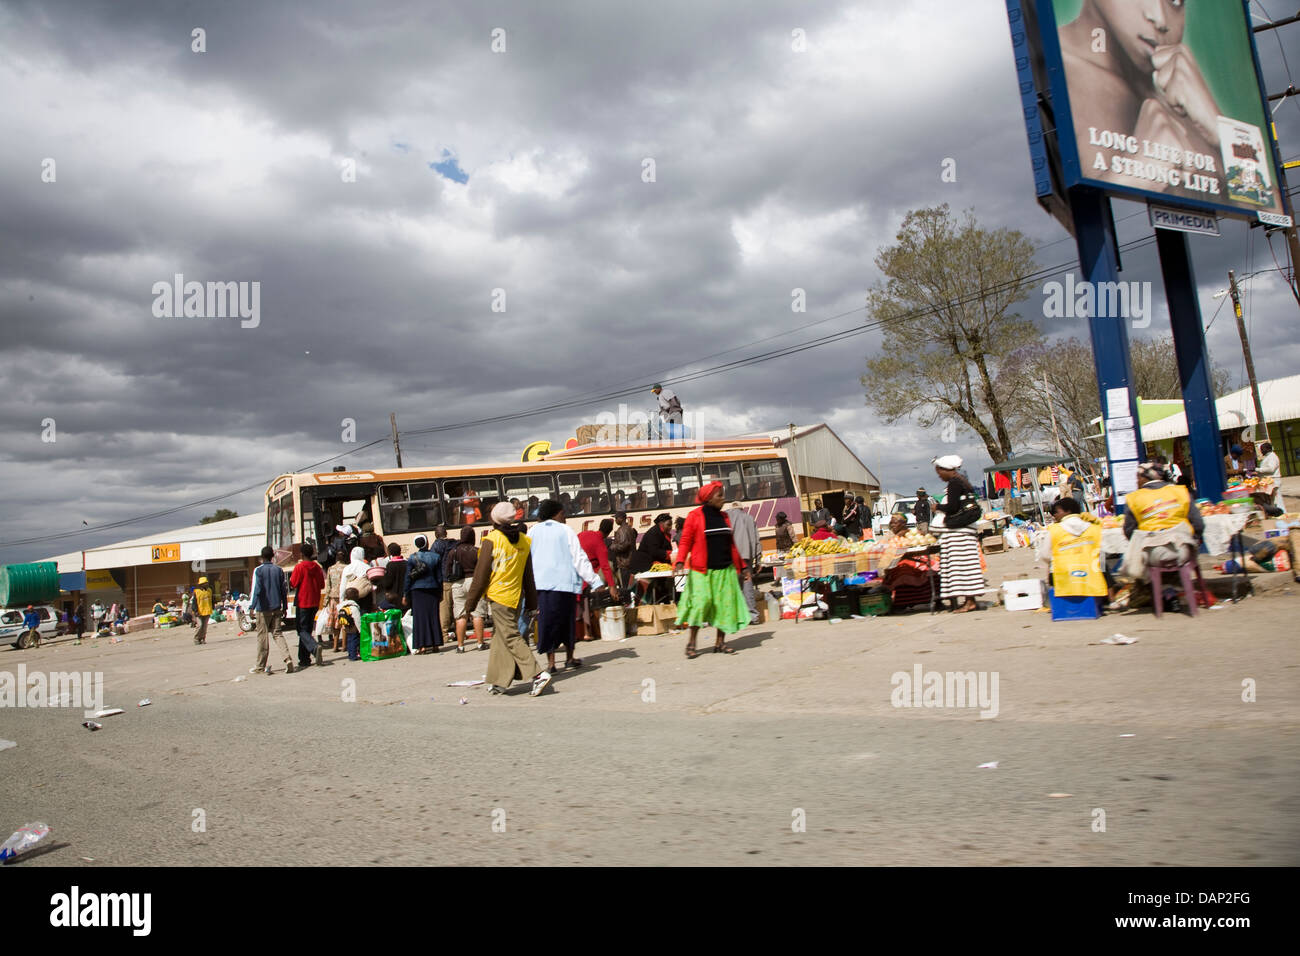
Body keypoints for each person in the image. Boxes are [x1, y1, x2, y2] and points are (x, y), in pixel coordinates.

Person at [1059, 0, 1226, 198]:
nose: (1160, 19)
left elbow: (1267, 219)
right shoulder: (1049, 75)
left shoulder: (1188, 104)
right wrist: (1132, 176)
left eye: (1176, 1)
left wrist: (1220, 131)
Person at [459, 502, 550, 697]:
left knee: (509, 637)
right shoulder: (524, 540)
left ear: (493, 519)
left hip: (499, 597)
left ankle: (538, 674)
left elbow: (480, 576)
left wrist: (470, 604)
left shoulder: (491, 540)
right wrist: (532, 604)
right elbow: (528, 576)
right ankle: (498, 681)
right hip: (517, 597)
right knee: (500, 639)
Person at [674, 481, 750, 657]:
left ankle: (720, 643)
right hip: (702, 571)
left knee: (725, 607)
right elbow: (685, 540)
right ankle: (691, 644)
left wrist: (743, 567)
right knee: (699, 604)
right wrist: (680, 561)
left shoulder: (724, 517)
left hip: (726, 571)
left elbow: (731, 544)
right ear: (708, 498)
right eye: (719, 495)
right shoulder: (695, 516)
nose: (723, 499)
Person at [529, 499, 604, 673]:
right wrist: (595, 580)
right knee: (567, 622)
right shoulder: (566, 530)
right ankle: (570, 658)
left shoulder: (533, 531)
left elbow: (528, 558)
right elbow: (579, 558)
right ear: (555, 514)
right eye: (563, 513)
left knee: (547, 622)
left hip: (542, 585)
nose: (565, 517)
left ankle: (551, 663)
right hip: (565, 585)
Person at [1120, 461, 1205, 582]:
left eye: (1137, 477)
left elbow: (1129, 531)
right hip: (1182, 551)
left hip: (1152, 555)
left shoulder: (1133, 498)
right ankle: (1173, 586)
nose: (1136, 481)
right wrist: (1193, 540)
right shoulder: (1180, 491)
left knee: (1139, 560)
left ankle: (1158, 590)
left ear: (1144, 478)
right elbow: (1198, 524)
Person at [932, 455, 986, 613]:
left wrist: (937, 507)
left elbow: (953, 507)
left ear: (946, 470)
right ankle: (970, 600)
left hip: (959, 533)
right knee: (968, 566)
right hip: (967, 530)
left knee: (961, 567)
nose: (939, 476)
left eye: (939, 472)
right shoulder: (962, 482)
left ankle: (969, 602)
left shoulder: (954, 484)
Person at [1035, 497, 1107, 601]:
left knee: (1052, 566)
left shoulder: (1054, 530)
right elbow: (1102, 555)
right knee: (1102, 565)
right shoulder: (1094, 528)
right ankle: (1109, 598)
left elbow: (1045, 555)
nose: (1054, 515)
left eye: (1056, 512)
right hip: (1092, 577)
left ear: (1068, 511)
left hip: (1063, 578)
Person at [248, 545, 293, 675]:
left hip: (263, 608)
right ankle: (287, 659)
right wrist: (285, 606)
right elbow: (283, 590)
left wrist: (252, 606)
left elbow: (257, 589)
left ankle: (260, 666)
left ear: (262, 557)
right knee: (278, 634)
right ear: (273, 556)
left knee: (262, 637)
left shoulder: (258, 571)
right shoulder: (278, 570)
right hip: (277, 607)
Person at [445, 527, 489, 653]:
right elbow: (483, 568)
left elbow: (447, 570)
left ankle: (460, 646)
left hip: (458, 584)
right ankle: (480, 643)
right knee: (478, 613)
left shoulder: (453, 551)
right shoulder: (477, 551)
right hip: (474, 582)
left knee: (460, 616)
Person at [578, 518, 620, 642]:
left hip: (572, 571)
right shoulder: (600, 544)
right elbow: (606, 567)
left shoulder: (584, 533)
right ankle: (587, 632)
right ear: (610, 531)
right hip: (584, 575)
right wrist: (612, 586)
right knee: (586, 601)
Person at [404, 534, 445, 654]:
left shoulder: (412, 558)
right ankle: (435, 644)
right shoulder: (436, 557)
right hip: (432, 590)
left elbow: (408, 578)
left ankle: (421, 646)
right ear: (427, 543)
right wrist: (440, 592)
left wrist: (405, 594)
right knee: (433, 616)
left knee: (419, 618)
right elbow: (439, 577)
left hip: (417, 591)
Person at [725, 501, 763, 625]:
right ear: (742, 509)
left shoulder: (726, 517)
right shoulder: (749, 518)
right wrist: (758, 560)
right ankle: (753, 616)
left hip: (730, 556)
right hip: (746, 557)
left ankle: (735, 617)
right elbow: (756, 540)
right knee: (747, 585)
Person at [289, 544, 325, 667]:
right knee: (307, 631)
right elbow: (322, 585)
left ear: (302, 554)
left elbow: (293, 583)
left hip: (303, 601)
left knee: (301, 630)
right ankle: (304, 659)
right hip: (315, 601)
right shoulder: (317, 567)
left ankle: (314, 647)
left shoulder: (299, 567)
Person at [628, 513, 674, 604]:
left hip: (652, 562)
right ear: (661, 523)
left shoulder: (663, 534)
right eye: (668, 525)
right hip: (643, 564)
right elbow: (654, 551)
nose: (670, 527)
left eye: (671, 525)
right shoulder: (654, 533)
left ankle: (664, 601)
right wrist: (668, 554)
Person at [429, 525, 457, 640]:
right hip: (456, 579)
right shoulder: (454, 543)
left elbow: (432, 561)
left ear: (436, 535)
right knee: (457, 607)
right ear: (446, 533)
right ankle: (461, 632)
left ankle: (444, 635)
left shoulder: (437, 545)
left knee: (445, 608)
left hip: (444, 580)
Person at [324, 550, 348, 654]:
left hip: (333, 599)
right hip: (344, 598)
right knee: (344, 622)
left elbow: (328, 586)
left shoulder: (331, 569)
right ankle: (344, 645)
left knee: (335, 623)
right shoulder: (347, 568)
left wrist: (326, 600)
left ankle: (335, 646)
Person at [609, 511, 637, 593]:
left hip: (624, 563)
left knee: (626, 588)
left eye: (616, 518)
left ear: (621, 518)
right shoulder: (628, 528)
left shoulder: (622, 530)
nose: (615, 520)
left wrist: (612, 546)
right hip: (629, 561)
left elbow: (624, 545)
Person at [1257, 441, 1283, 512]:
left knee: (1277, 499)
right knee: (1273, 499)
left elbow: (1271, 469)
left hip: (1273, 480)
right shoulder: (1268, 457)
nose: (1261, 451)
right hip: (1269, 481)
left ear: (1268, 449)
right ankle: (1276, 512)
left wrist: (1258, 470)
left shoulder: (1272, 457)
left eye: (1262, 449)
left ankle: (1281, 512)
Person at [337, 588, 363, 661]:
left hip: (347, 626)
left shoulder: (342, 606)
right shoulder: (354, 607)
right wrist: (360, 629)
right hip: (354, 627)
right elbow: (357, 619)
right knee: (355, 641)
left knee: (349, 640)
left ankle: (350, 654)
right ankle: (353, 656)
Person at [191, 575, 215, 647]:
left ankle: (202, 639)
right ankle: (196, 638)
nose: (206, 584)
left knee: (204, 627)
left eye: (206, 583)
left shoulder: (209, 590)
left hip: (207, 610)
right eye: (205, 583)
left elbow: (212, 599)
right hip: (199, 612)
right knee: (200, 625)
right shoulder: (197, 592)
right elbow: (194, 602)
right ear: (201, 584)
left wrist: (213, 606)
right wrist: (195, 611)